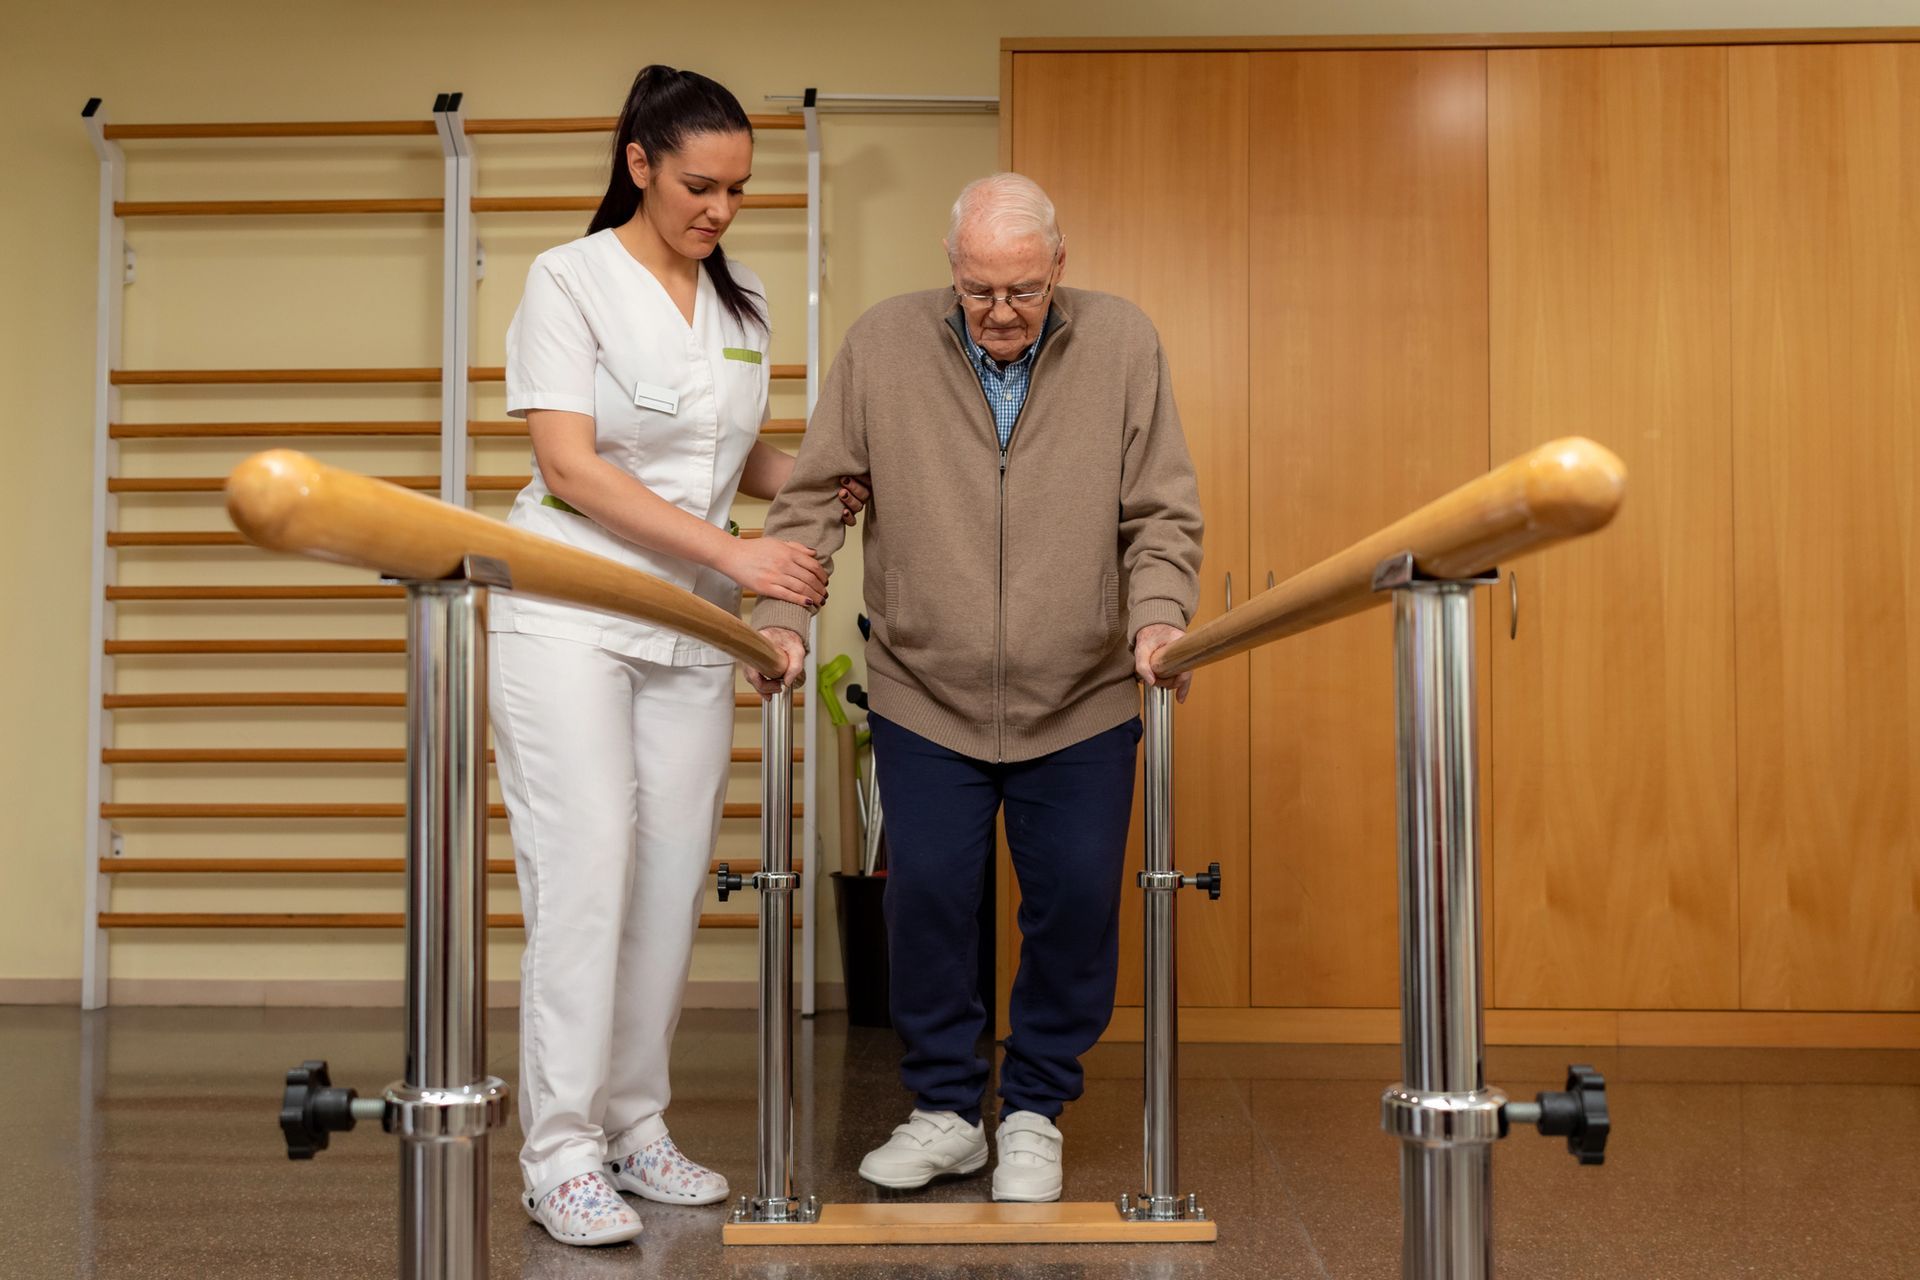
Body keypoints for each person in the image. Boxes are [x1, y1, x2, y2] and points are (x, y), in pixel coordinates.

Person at [749, 172, 1202, 1204]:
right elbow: (816, 495)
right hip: (925, 687)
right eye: (979, 289)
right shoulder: (881, 344)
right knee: (931, 906)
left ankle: (1035, 1106)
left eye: (1024, 291)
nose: (1001, 312)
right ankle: (949, 1110)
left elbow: (1162, 509)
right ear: (951, 269)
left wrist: (1158, 612)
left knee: (1077, 903)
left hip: (1082, 689)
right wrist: (780, 618)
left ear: (1060, 266)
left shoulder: (1123, 344)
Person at [490, 65, 864, 1247]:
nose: (719, 209)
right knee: (586, 863)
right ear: (640, 164)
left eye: (739, 189)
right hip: (571, 608)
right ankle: (558, 1149)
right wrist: (745, 562)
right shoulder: (570, 278)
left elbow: (726, 450)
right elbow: (576, 465)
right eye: (699, 184)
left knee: (668, 884)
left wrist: (825, 477)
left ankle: (635, 1123)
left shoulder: (740, 296)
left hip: (691, 618)